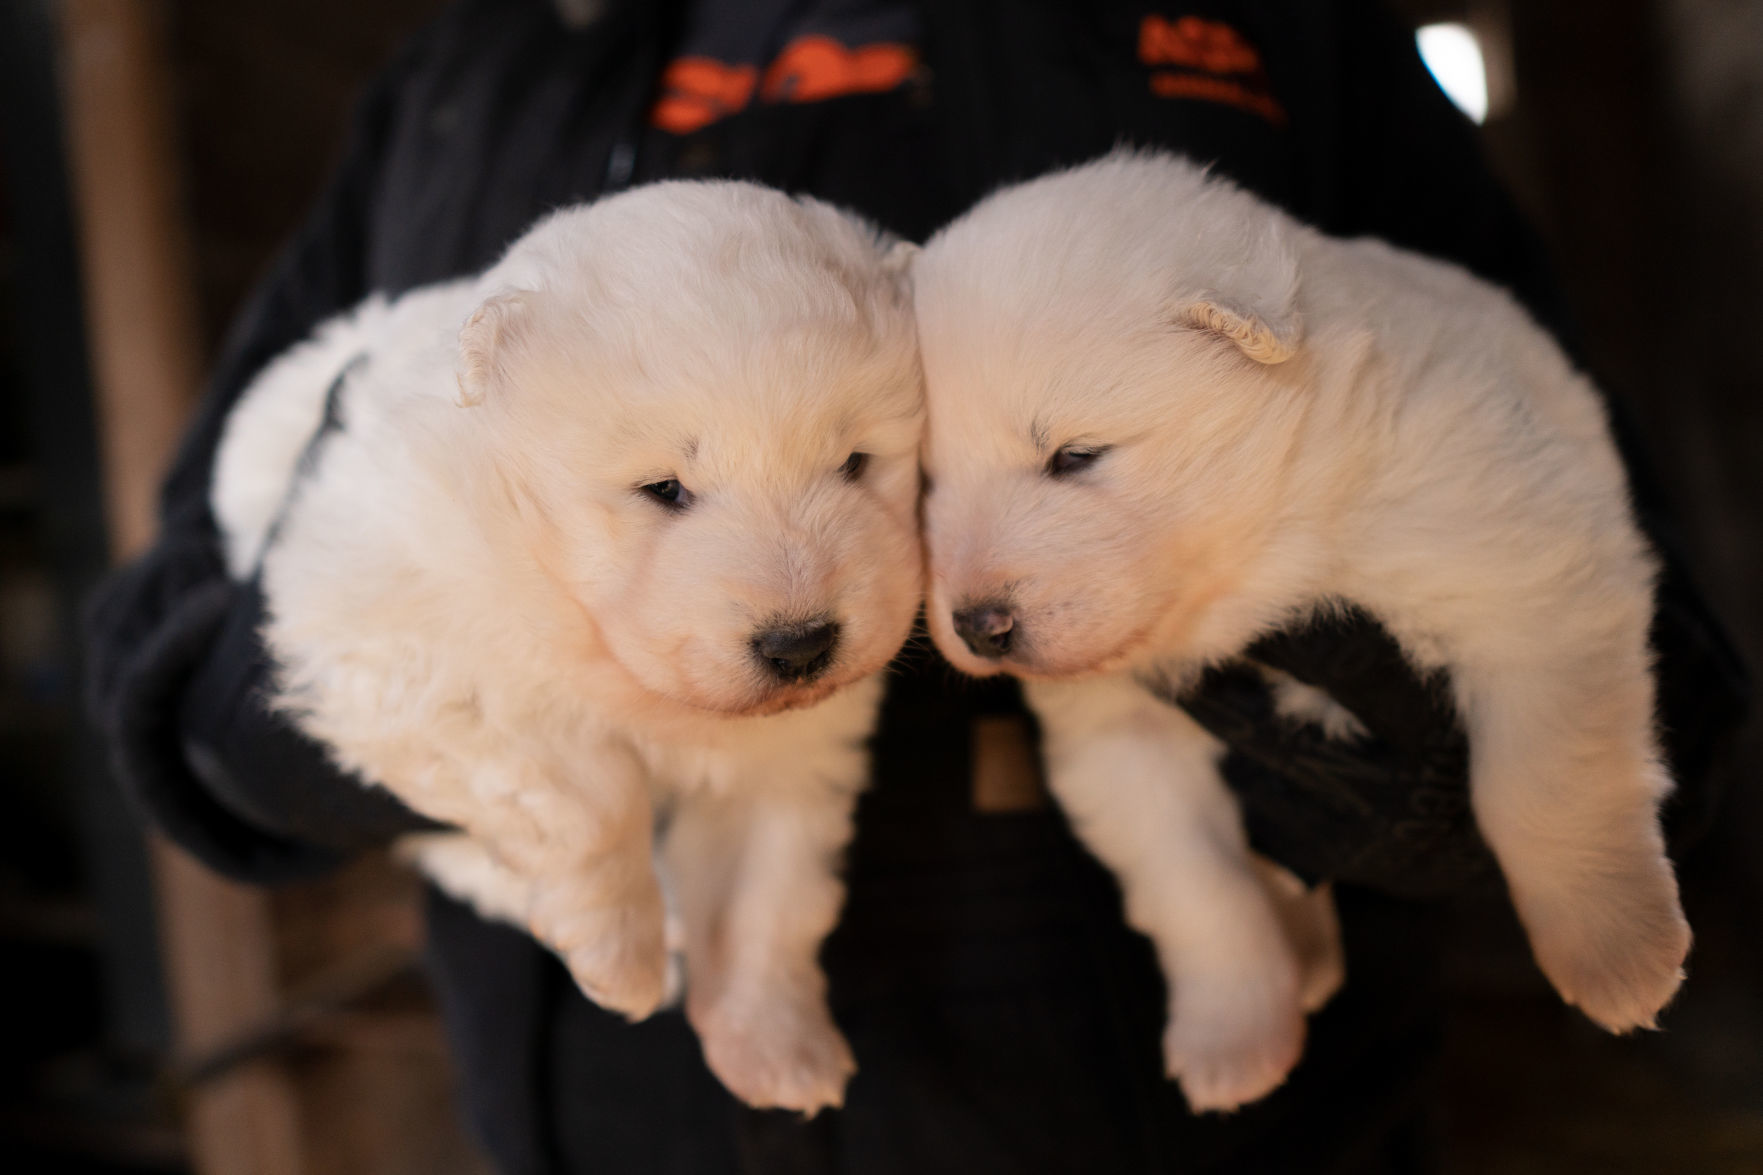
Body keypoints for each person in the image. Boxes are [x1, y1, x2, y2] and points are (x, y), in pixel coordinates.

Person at [86, 2, 1745, 1171]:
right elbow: (177, 668)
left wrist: (1370, 752)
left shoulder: (1277, 28)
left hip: (1167, 1119)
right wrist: (345, 681)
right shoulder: (480, 60)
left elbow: (1617, 579)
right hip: (606, 1114)